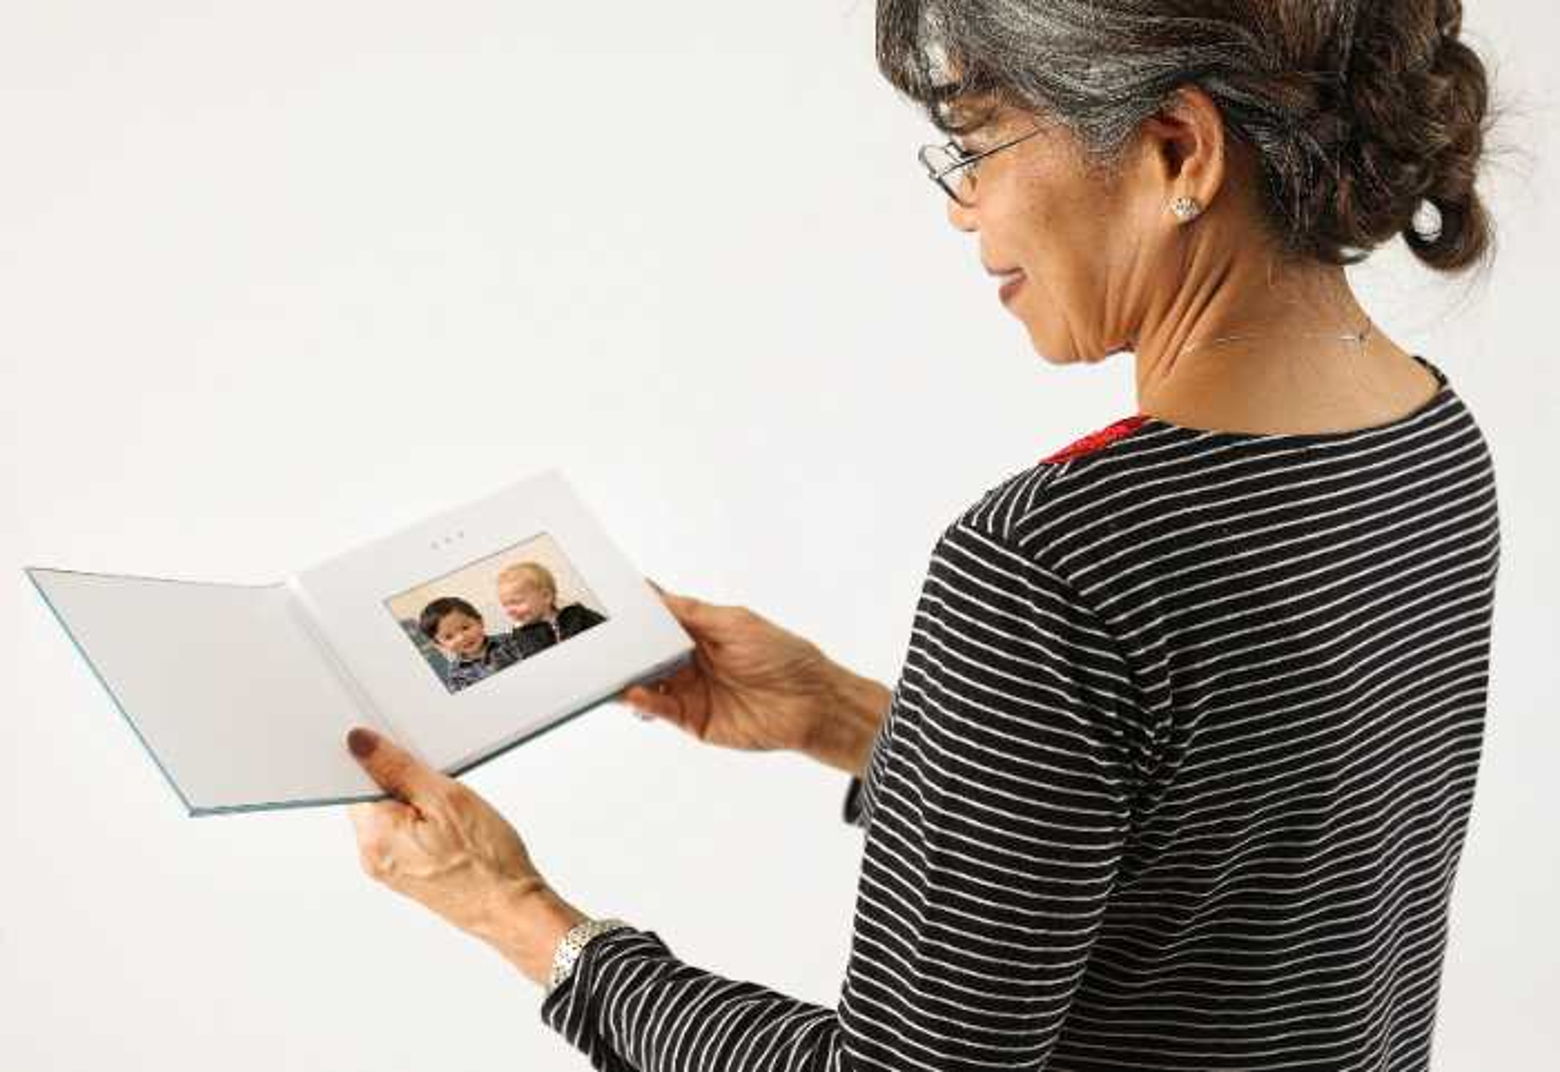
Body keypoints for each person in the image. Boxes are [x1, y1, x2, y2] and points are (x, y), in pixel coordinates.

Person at [346, 2, 1502, 1068]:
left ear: (1176, 150)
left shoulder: (1052, 558)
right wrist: (846, 718)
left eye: (982, 142)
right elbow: (1212, 852)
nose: (963, 206)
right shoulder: (1428, 438)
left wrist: (523, 917)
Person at [495, 561, 608, 658]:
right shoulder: (518, 639)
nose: (509, 611)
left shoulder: (579, 615)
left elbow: (609, 633)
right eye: (505, 605)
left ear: (546, 596)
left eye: (516, 602)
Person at [416, 596, 521, 693]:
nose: (462, 638)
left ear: (480, 622)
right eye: (449, 637)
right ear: (440, 645)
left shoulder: (510, 641)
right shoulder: (456, 676)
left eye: (465, 628)